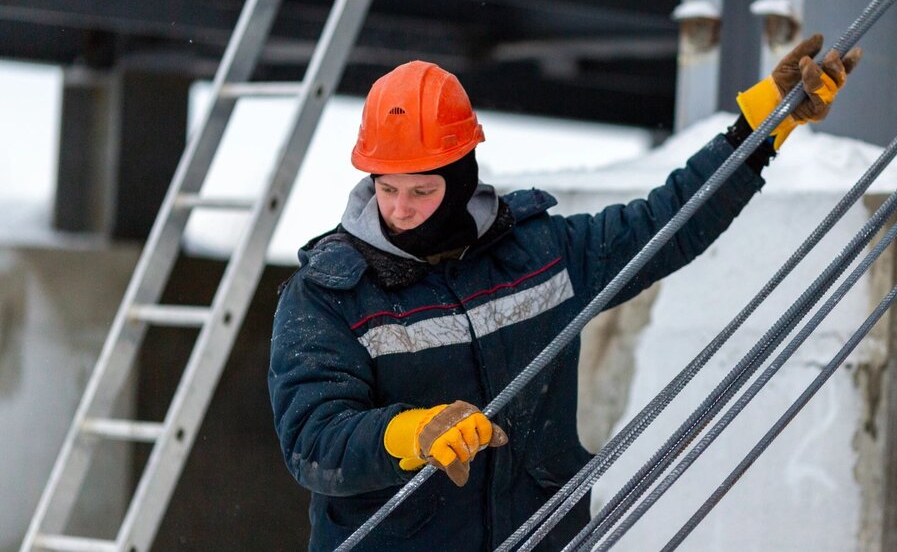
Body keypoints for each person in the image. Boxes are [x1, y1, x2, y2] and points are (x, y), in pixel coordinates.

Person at [268, 34, 861, 551]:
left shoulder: (537, 253)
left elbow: (665, 223)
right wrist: (411, 433)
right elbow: (313, 441)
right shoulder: (329, 295)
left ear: (459, 178)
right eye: (386, 188)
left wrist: (760, 128)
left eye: (420, 191)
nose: (398, 209)